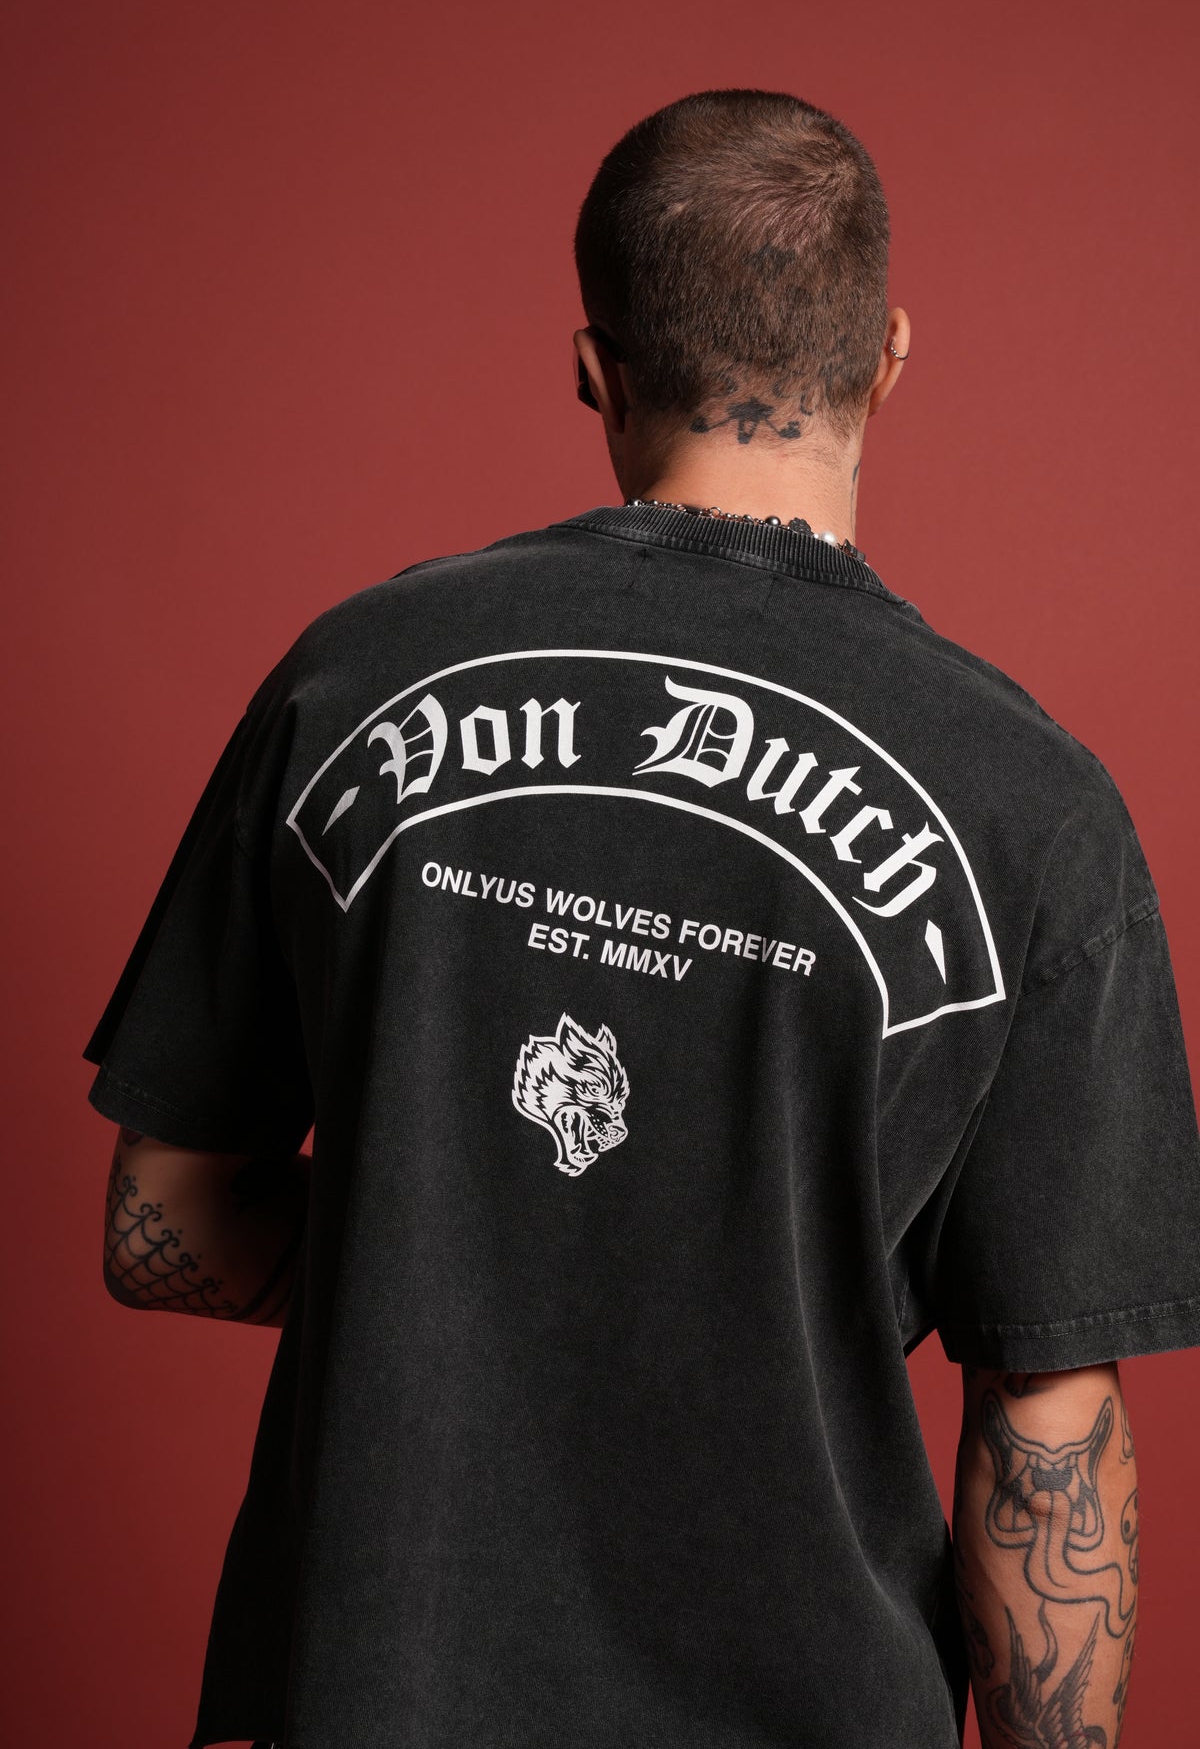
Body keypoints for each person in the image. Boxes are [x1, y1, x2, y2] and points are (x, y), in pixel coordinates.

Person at [85, 88, 1200, 1749]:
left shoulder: (353, 680)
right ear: (889, 356)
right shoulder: (1035, 805)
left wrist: (464, 1256)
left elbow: (160, 1220)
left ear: (596, 369)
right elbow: (1047, 1424)